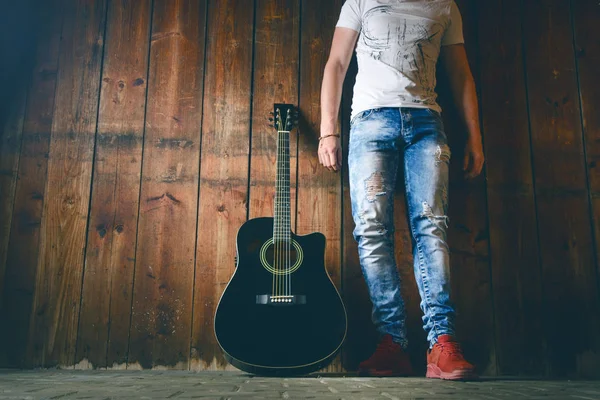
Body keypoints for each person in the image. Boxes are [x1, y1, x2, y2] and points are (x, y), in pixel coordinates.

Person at [318, 0, 484, 380]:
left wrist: (475, 137)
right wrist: (329, 130)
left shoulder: (445, 6)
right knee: (372, 231)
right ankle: (391, 343)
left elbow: (461, 74)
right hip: (370, 122)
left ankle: (442, 343)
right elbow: (337, 64)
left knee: (431, 228)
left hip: (427, 124)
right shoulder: (359, 1)